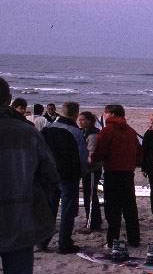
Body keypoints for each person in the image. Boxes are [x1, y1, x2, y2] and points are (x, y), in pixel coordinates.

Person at [0, 77, 60, 274]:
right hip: (20, 221)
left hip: (19, 218)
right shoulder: (27, 132)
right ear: (8, 99)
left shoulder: (27, 131)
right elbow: (50, 176)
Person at [92, 104, 142, 248]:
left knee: (113, 209)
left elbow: (100, 151)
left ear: (112, 114)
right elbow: (139, 151)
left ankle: (112, 240)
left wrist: (93, 158)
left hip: (113, 172)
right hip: (127, 173)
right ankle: (134, 239)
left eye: (105, 113)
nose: (104, 115)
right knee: (129, 207)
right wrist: (133, 163)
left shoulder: (108, 130)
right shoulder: (130, 131)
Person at [41, 101, 88, 254]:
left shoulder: (48, 128)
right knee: (67, 209)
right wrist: (82, 172)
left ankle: (43, 240)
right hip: (68, 174)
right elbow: (82, 156)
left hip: (50, 174)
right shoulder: (76, 132)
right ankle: (64, 242)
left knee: (50, 207)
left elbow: (41, 151)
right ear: (76, 113)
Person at [76, 111, 103, 234]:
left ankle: (92, 223)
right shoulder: (84, 132)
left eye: (82, 119)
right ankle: (93, 220)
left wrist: (84, 162)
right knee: (89, 195)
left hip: (92, 169)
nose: (80, 122)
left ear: (89, 121)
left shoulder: (93, 135)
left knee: (90, 196)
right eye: (79, 119)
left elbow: (91, 154)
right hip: (87, 168)